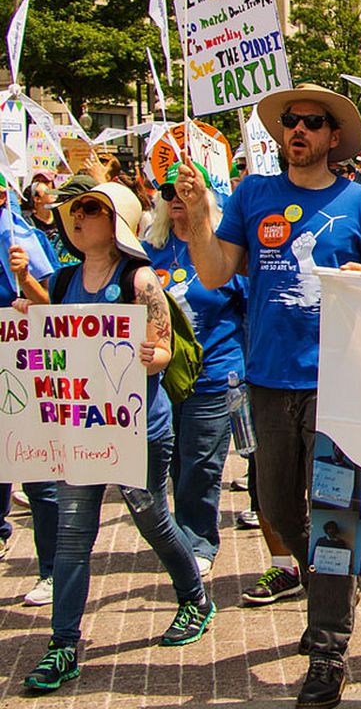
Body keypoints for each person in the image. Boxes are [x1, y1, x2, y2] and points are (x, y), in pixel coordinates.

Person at [175, 83, 361, 709]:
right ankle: (335, 580)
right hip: (268, 382)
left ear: (334, 139)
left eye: (311, 123)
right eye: (289, 123)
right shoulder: (252, 195)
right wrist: (196, 215)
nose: (297, 131)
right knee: (276, 506)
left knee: (331, 517)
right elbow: (217, 271)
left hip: (339, 386)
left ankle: (328, 651)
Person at [17, 182, 214, 693]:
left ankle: (193, 596)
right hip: (80, 431)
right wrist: (26, 313)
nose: (76, 218)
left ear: (116, 224)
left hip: (139, 429)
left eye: (89, 210)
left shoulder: (140, 279)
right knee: (73, 533)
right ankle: (63, 644)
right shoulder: (61, 283)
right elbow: (55, 334)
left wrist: (155, 357)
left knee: (151, 517)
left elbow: (164, 348)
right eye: (72, 211)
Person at [143, 162, 247, 577]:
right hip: (164, 379)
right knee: (174, 465)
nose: (177, 201)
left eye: (185, 193)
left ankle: (197, 542)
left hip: (217, 372)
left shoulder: (225, 248)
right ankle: (179, 537)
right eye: (169, 195)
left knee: (201, 463)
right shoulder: (148, 251)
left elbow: (247, 309)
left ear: (205, 196)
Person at [1, 175, 59, 606]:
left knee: (39, 477)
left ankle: (52, 570)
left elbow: (54, 307)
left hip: (22, 368)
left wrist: (23, 279)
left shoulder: (21, 238)